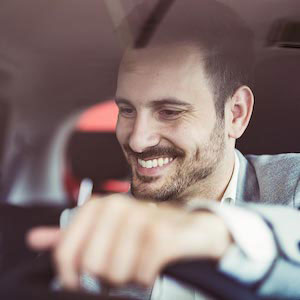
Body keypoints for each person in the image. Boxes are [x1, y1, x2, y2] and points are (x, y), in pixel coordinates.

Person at [27, 0, 300, 299]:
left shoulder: (293, 184)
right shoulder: (86, 232)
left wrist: (206, 232)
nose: (137, 140)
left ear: (235, 114)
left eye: (169, 111)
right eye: (127, 110)